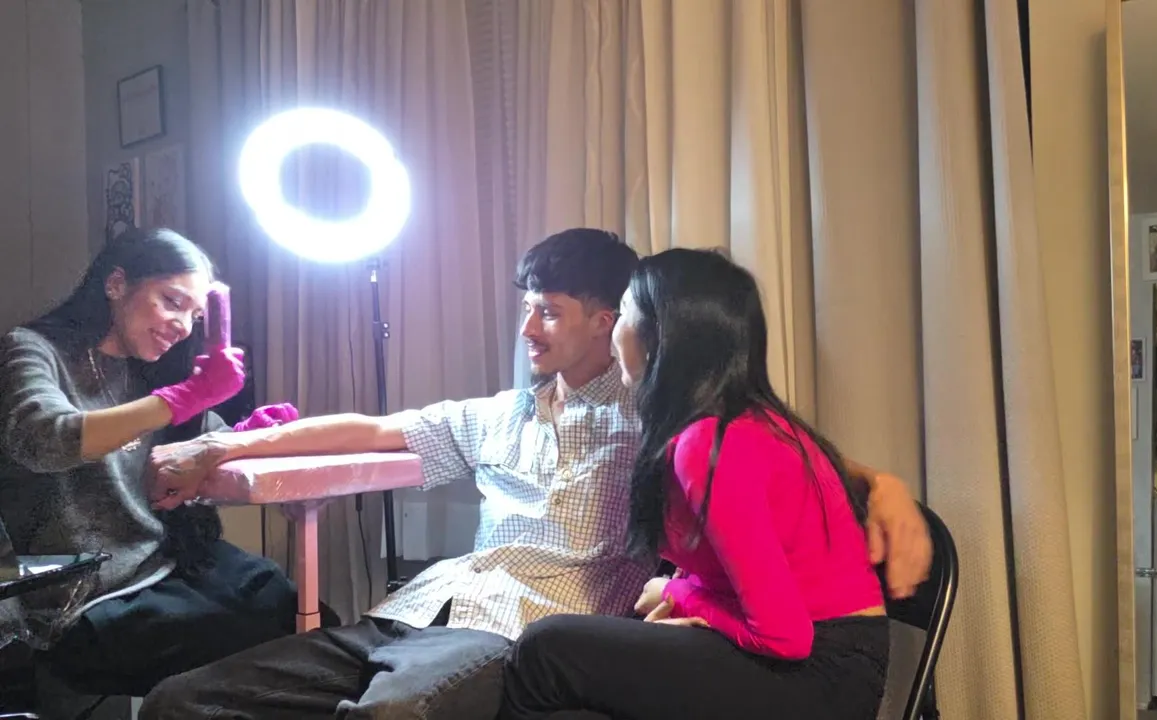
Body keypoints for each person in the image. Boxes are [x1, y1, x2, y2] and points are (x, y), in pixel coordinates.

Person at [139, 228, 930, 720]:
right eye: (525, 307)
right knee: (182, 701)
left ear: (611, 321)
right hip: (416, 613)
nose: (527, 329)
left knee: (391, 714)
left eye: (548, 310)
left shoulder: (657, 416)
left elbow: (764, 457)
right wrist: (221, 449)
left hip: (514, 634)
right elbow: (372, 428)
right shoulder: (502, 413)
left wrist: (881, 486)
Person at [500, 248, 889, 720]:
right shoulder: (736, 423)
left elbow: (784, 636)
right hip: (816, 652)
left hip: (822, 674)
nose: (616, 329)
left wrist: (678, 595)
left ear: (660, 335)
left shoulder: (710, 443)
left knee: (545, 650)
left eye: (624, 312)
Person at [0, 228, 312, 700]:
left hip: (161, 561)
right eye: (172, 301)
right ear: (116, 284)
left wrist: (249, 436)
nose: (183, 326)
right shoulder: (30, 349)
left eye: (195, 315)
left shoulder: (153, 371)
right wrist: (185, 397)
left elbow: (196, 449)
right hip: (77, 595)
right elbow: (45, 439)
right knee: (260, 651)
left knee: (299, 611)